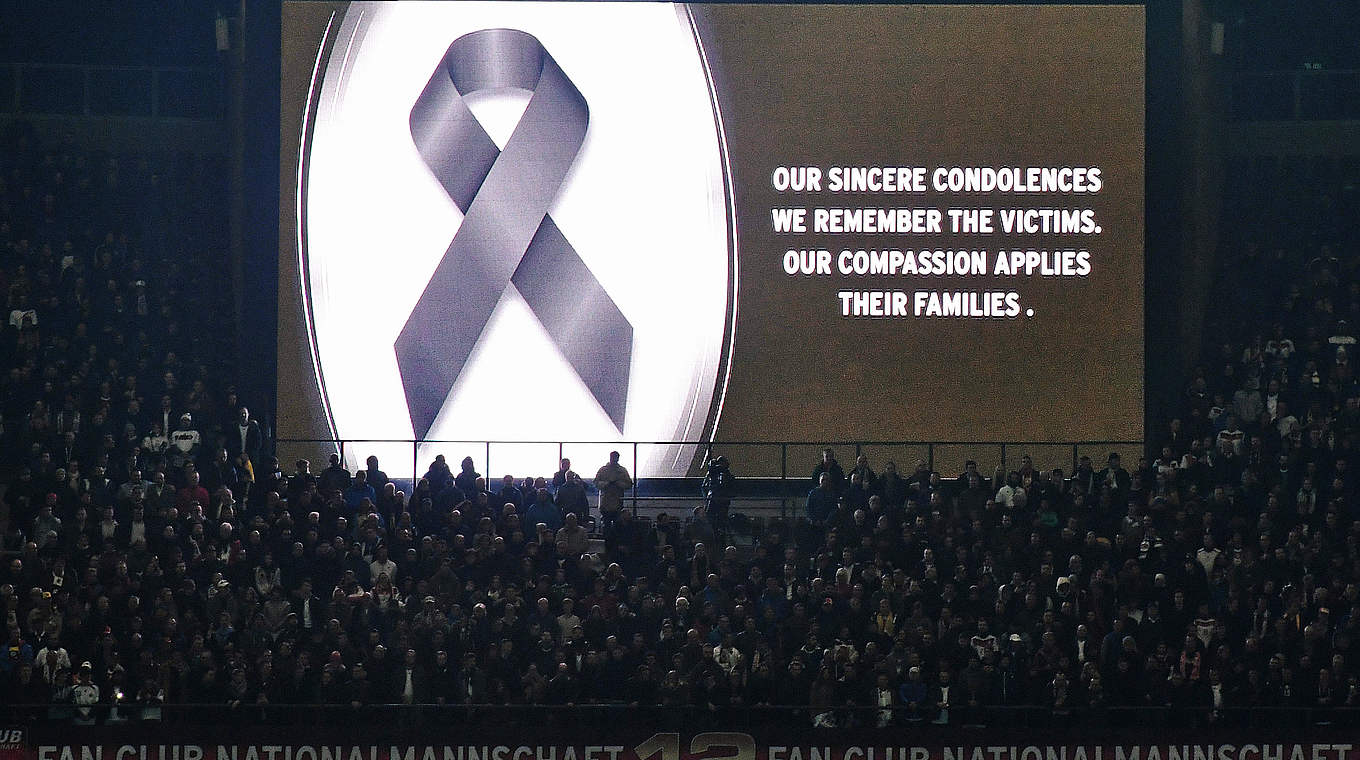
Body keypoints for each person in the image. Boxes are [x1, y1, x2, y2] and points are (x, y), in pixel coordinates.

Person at [594, 451, 633, 529]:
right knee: (606, 525)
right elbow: (596, 483)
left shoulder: (622, 471)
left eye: (615, 458)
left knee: (618, 526)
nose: (614, 459)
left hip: (617, 502)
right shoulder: (603, 470)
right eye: (613, 457)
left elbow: (629, 484)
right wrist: (606, 483)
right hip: (605, 503)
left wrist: (618, 484)